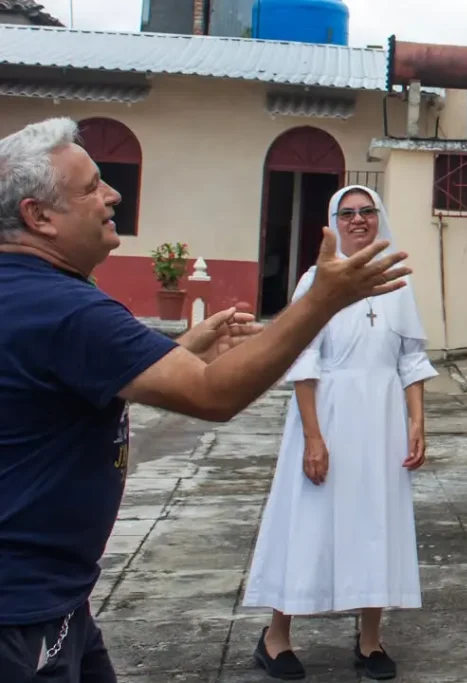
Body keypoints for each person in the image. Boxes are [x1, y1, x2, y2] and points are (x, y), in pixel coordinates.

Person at [0, 118, 411, 682]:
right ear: (38, 216)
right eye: (92, 185)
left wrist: (181, 353)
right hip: (21, 613)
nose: (113, 194)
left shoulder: (29, 295)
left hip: (57, 600)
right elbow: (214, 396)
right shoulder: (67, 310)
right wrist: (322, 300)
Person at [243, 185, 437, 681]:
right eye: (347, 213)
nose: (357, 220)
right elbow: (303, 358)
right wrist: (313, 435)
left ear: (379, 218)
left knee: (377, 521)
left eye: (366, 212)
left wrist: (417, 419)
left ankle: (370, 640)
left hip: (381, 420)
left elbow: (410, 357)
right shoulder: (316, 279)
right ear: (334, 222)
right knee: (307, 519)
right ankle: (276, 636)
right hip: (326, 416)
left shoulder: (396, 280)